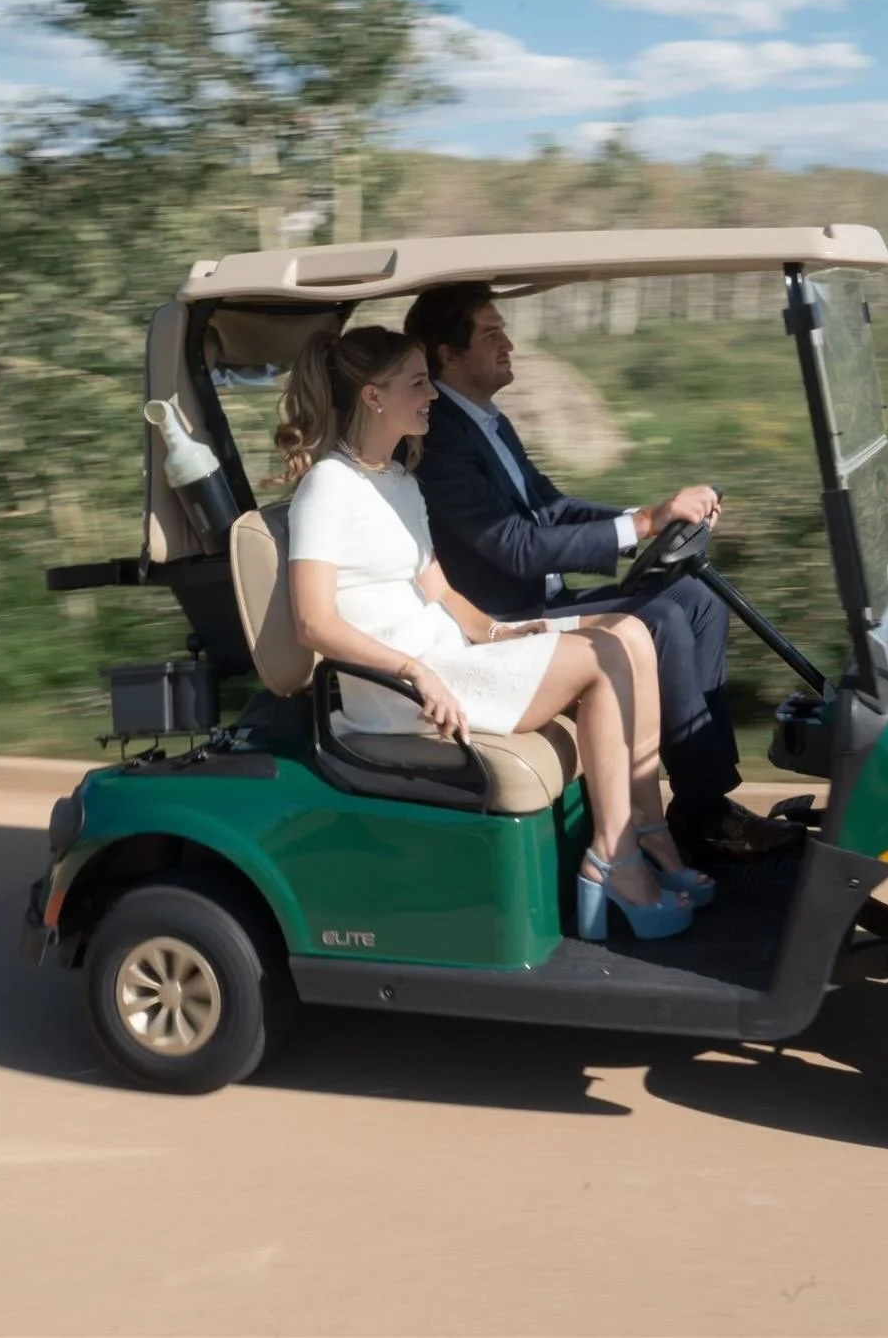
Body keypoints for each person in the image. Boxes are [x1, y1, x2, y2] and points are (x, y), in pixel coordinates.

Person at [280, 322, 714, 943]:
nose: (432, 395)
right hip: (395, 692)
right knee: (602, 657)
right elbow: (313, 620)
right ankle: (613, 860)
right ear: (374, 396)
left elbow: (439, 590)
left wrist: (502, 634)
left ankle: (648, 834)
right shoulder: (327, 487)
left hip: (447, 660)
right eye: (417, 383)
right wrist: (412, 670)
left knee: (630, 632)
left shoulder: (398, 480)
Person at [402, 283, 801, 867]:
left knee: (696, 597)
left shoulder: (485, 421)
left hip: (542, 597)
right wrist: (642, 523)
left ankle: (699, 807)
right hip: (501, 622)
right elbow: (514, 548)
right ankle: (706, 816)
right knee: (661, 616)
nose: (509, 344)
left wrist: (652, 516)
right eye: (491, 334)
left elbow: (551, 508)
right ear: (447, 355)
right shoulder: (439, 437)